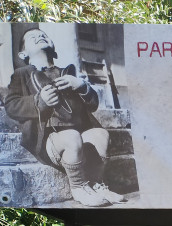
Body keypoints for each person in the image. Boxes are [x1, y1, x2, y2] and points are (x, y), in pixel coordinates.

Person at [3, 27, 124, 207]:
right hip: (49, 140)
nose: (39, 37)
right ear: (23, 53)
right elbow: (11, 105)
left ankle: (96, 183)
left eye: (43, 35)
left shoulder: (67, 72)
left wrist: (82, 86)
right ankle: (78, 187)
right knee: (71, 136)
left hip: (78, 138)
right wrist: (39, 100)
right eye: (32, 37)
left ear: (53, 46)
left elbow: (92, 104)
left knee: (100, 135)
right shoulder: (22, 75)